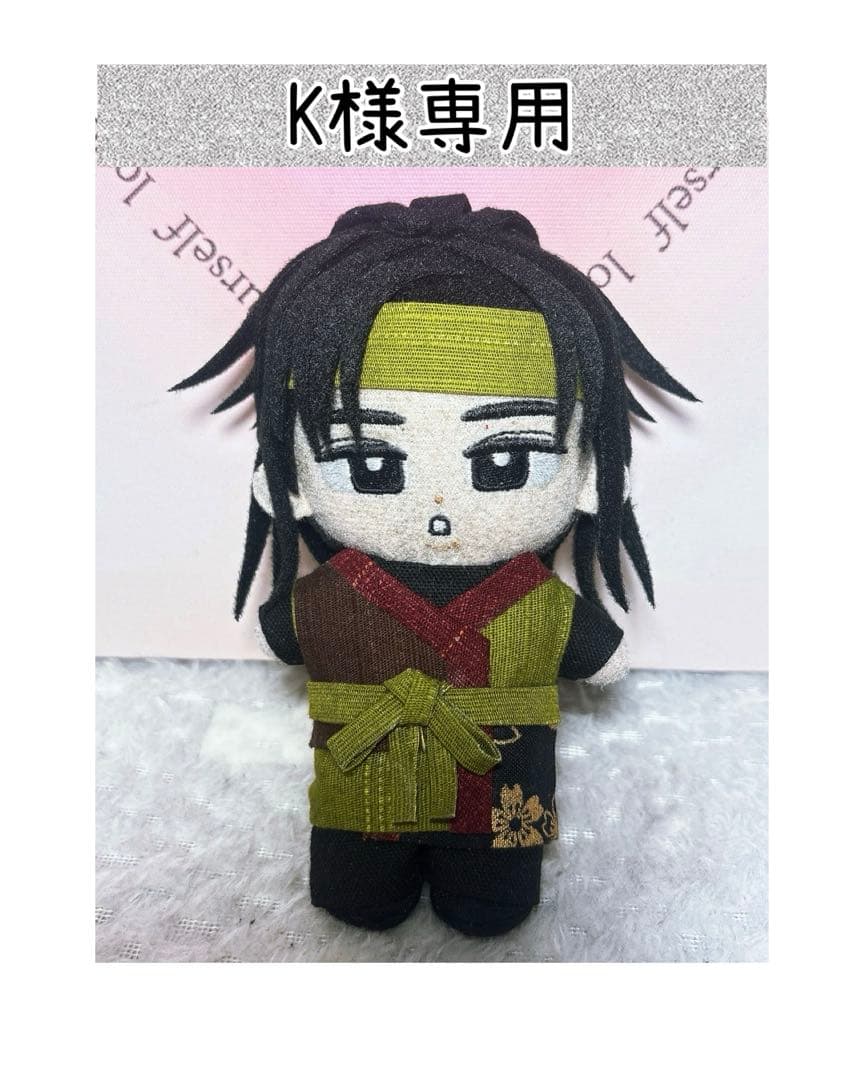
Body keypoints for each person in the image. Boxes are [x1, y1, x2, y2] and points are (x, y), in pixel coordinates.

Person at [173, 193, 696, 936]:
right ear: (286, 481)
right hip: (363, 787)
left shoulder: (537, 604)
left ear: (590, 476)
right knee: (360, 882)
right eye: (372, 465)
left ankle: (483, 888)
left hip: (503, 795)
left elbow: (602, 657)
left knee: (494, 888)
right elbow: (278, 634)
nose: (440, 507)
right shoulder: (336, 597)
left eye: (506, 461)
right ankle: (372, 883)